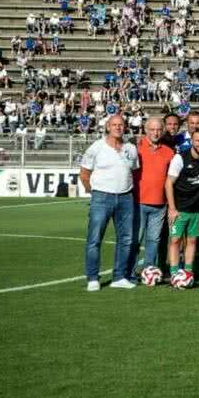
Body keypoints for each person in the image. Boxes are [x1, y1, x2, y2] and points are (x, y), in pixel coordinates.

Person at [79, 114, 139, 291]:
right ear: (107, 127)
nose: (118, 128)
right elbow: (84, 174)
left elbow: (133, 172)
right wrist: (95, 193)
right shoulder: (96, 147)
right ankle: (92, 278)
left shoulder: (130, 148)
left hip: (126, 197)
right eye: (114, 125)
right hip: (102, 197)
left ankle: (119, 276)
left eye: (121, 125)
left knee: (126, 239)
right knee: (95, 239)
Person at [165, 129, 199, 287]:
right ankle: (174, 273)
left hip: (197, 209)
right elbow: (168, 183)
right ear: (192, 141)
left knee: (192, 241)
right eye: (198, 141)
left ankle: (187, 272)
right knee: (175, 240)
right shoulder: (180, 158)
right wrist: (172, 208)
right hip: (180, 208)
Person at [131, 117, 174, 279]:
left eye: (158, 129)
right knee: (136, 240)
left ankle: (148, 271)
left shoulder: (169, 152)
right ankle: (130, 271)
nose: (155, 133)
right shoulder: (135, 147)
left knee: (153, 240)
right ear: (145, 130)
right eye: (152, 129)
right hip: (138, 202)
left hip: (160, 205)